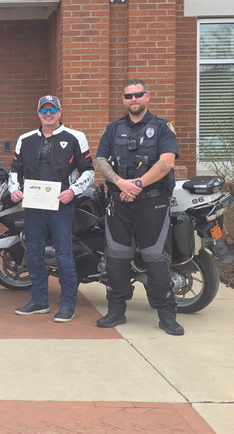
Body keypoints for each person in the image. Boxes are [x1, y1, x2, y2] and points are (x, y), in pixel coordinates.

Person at [94, 79, 184, 336]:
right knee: (116, 258)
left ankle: (167, 315)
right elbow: (100, 160)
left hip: (152, 202)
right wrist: (120, 183)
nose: (133, 99)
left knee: (156, 259)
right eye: (128, 96)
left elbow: (167, 162)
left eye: (138, 94)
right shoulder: (113, 129)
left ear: (147, 96)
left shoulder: (162, 127)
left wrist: (138, 184)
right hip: (119, 202)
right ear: (123, 100)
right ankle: (116, 311)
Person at [8, 95, 94, 323]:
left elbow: (88, 171)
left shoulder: (75, 137)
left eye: (52, 110)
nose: (48, 114)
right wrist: (14, 189)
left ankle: (67, 304)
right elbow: (14, 170)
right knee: (33, 253)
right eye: (44, 110)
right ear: (38, 113)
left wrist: (72, 191)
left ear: (60, 112)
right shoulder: (25, 139)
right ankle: (39, 301)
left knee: (64, 254)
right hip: (34, 205)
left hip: (61, 206)